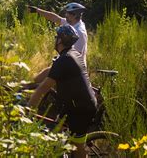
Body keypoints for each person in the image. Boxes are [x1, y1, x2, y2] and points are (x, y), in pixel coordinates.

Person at [28, 25, 97, 158]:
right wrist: (30, 82)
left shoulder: (65, 60)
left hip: (81, 109)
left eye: (56, 37)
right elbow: (49, 71)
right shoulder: (70, 55)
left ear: (60, 40)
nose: (55, 39)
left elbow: (43, 89)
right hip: (72, 106)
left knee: (77, 147)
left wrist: (28, 109)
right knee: (57, 131)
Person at [28, 2, 88, 83]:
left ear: (74, 15)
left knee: (39, 81)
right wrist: (37, 10)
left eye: (67, 13)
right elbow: (55, 18)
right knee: (43, 82)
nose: (65, 15)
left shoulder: (79, 32)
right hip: (65, 64)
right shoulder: (72, 23)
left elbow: (76, 56)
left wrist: (59, 63)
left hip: (73, 69)